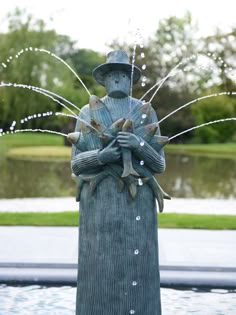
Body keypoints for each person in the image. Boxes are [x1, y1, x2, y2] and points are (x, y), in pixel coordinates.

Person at [71, 50, 166, 315]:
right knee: (99, 268)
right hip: (99, 206)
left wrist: (138, 145)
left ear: (131, 79)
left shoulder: (146, 112)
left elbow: (159, 165)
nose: (117, 80)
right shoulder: (87, 112)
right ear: (103, 79)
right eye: (112, 75)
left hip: (138, 206)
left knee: (139, 266)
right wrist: (102, 156)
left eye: (123, 75)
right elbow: (75, 165)